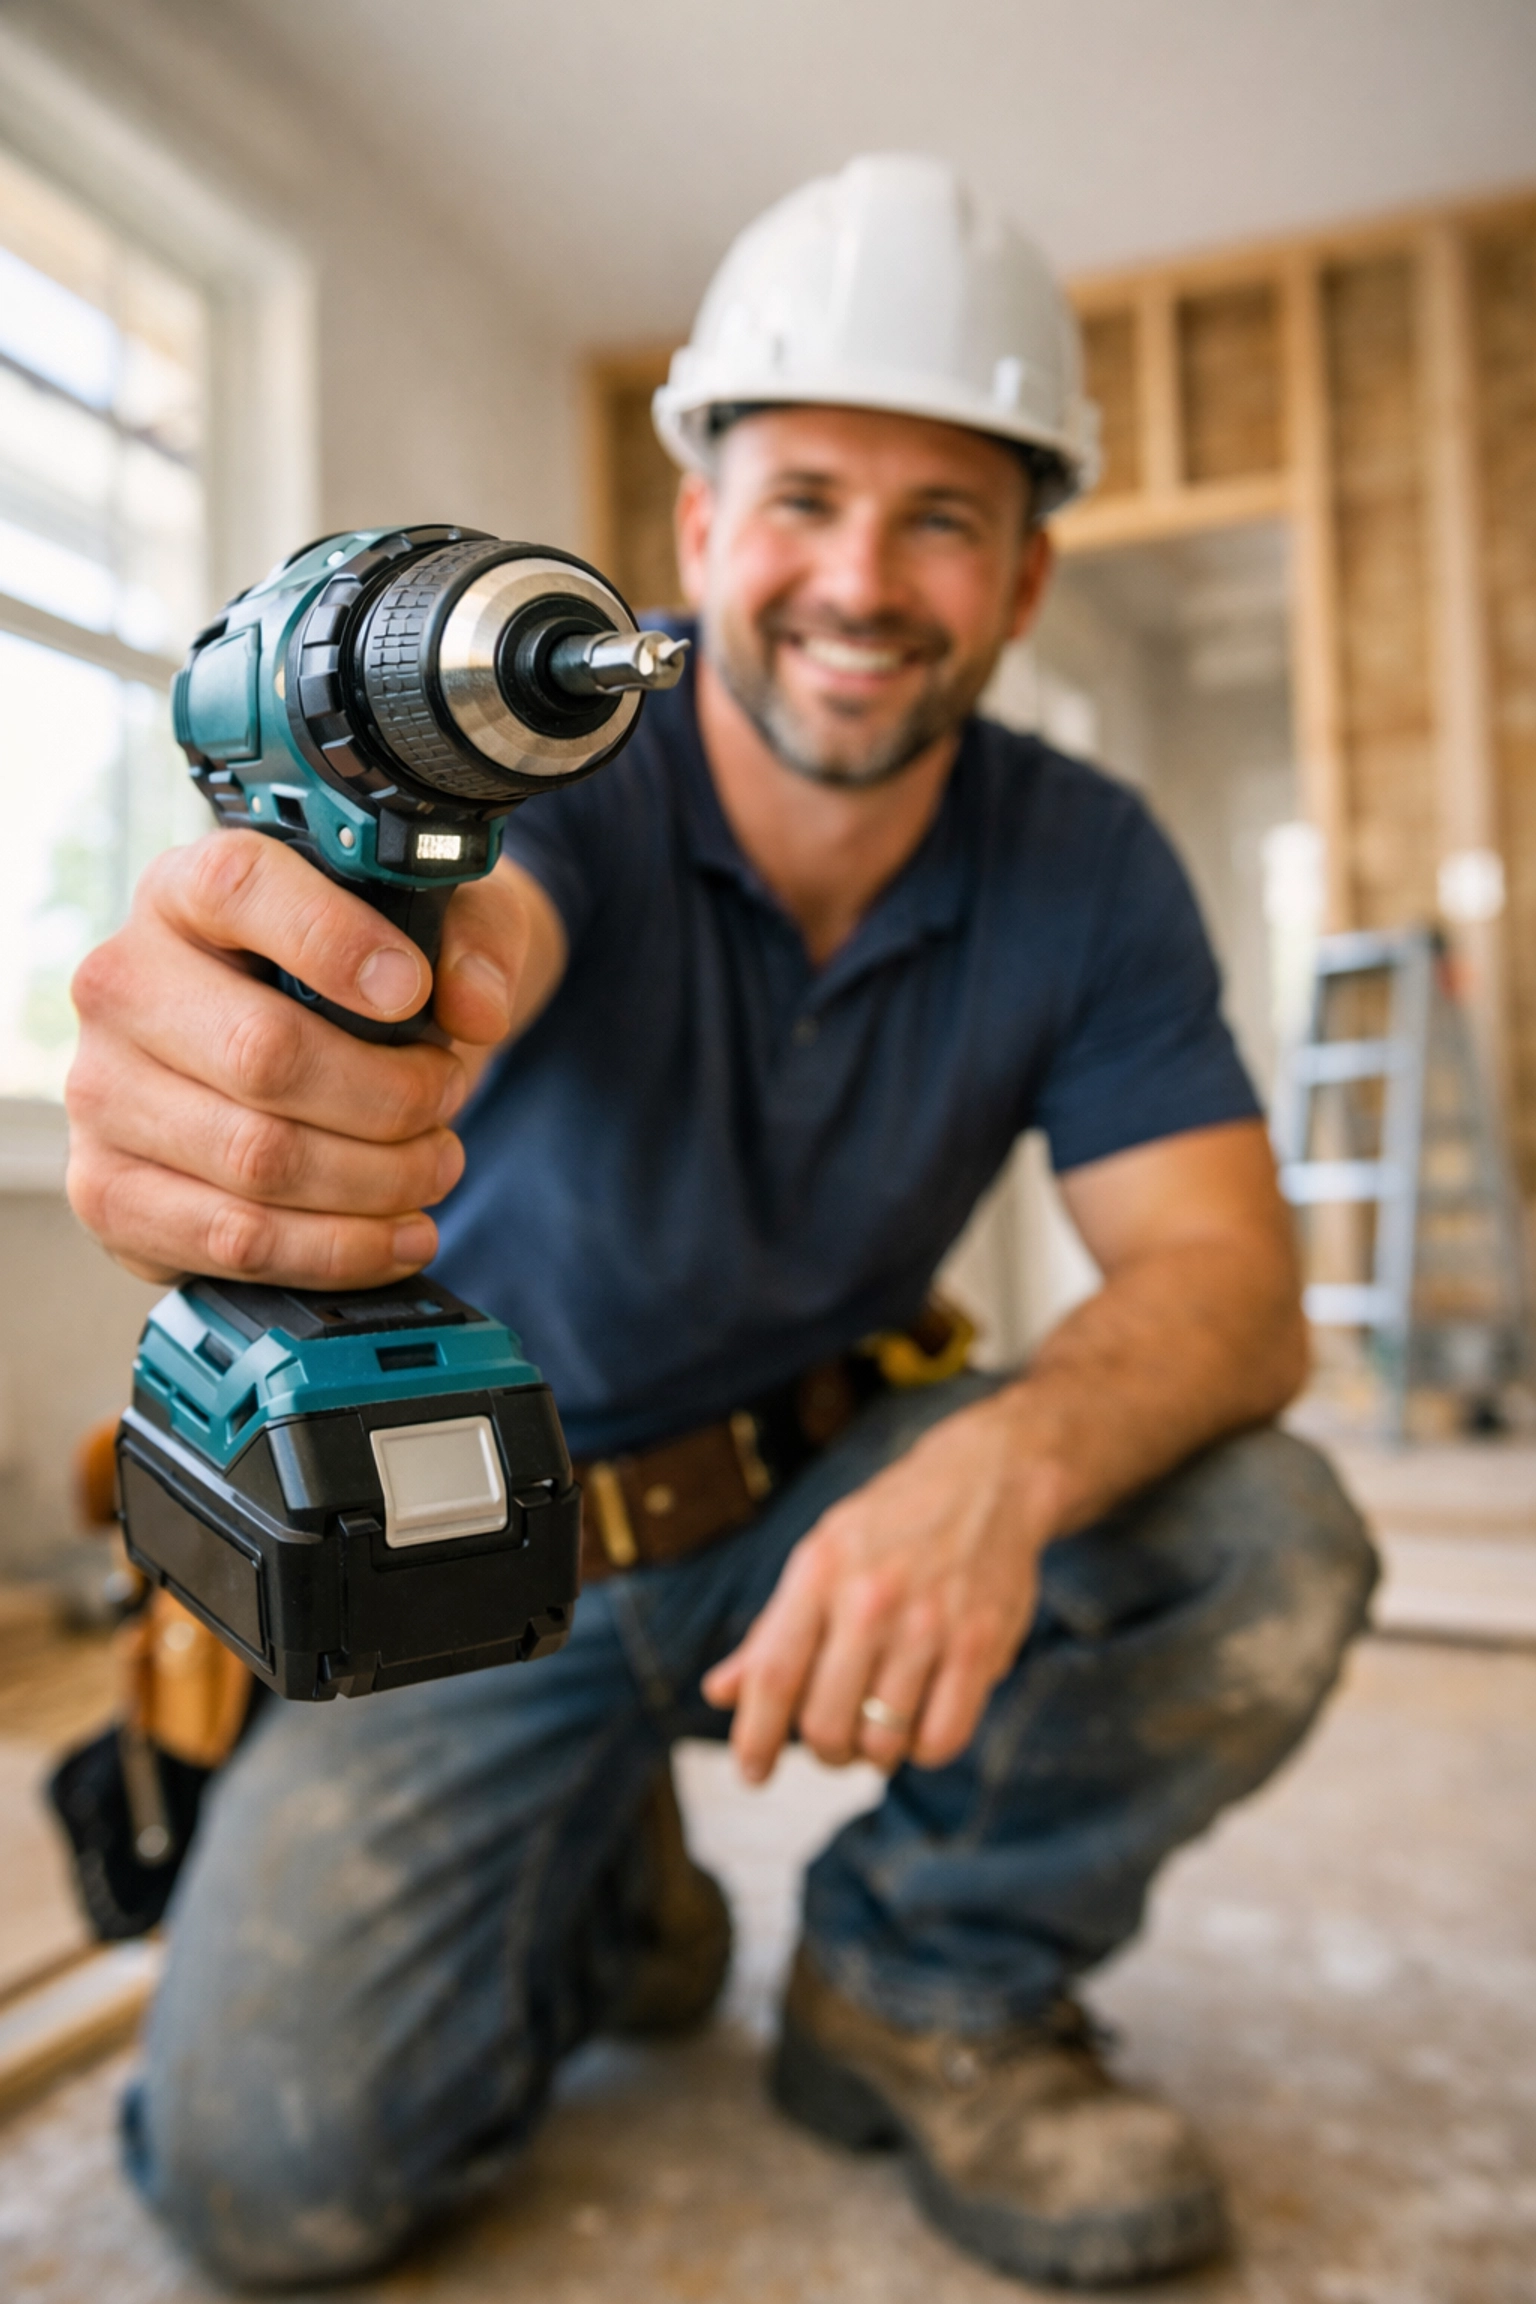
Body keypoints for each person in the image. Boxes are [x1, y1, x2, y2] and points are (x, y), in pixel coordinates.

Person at [66, 154, 1375, 2291]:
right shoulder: (546, 765)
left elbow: (1233, 1290)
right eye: (803, 500)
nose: (861, 580)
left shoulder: (1090, 865)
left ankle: (915, 1978)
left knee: (1266, 1535)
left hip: (822, 1489)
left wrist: (996, 1467)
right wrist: (288, 1064)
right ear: (698, 531)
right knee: (263, 2180)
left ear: (1029, 579)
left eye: (942, 517)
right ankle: (617, 1895)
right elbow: (481, 938)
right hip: (485, 1540)